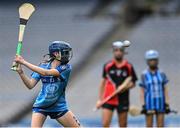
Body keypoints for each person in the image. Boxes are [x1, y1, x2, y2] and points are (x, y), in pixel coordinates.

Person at [14, 41, 81, 127]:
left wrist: (23, 62)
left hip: (59, 106)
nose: (67, 55)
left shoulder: (66, 68)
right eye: (65, 52)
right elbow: (30, 85)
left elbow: (46, 73)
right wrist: (21, 72)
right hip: (41, 106)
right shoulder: (43, 66)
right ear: (56, 53)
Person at [96, 41, 138, 127]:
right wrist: (100, 99)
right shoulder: (107, 65)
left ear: (123, 52)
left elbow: (133, 83)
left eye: (120, 50)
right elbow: (103, 83)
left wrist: (125, 87)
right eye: (116, 50)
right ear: (113, 51)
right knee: (105, 124)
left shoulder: (128, 66)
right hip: (109, 98)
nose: (118, 52)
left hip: (123, 99)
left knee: (123, 125)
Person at [139, 50, 170, 127]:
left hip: (160, 103)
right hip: (149, 104)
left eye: (154, 60)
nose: (153, 62)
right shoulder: (144, 74)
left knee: (160, 125)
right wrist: (143, 105)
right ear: (147, 61)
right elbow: (142, 91)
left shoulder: (162, 73)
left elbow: (165, 89)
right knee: (149, 125)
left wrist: (167, 103)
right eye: (151, 60)